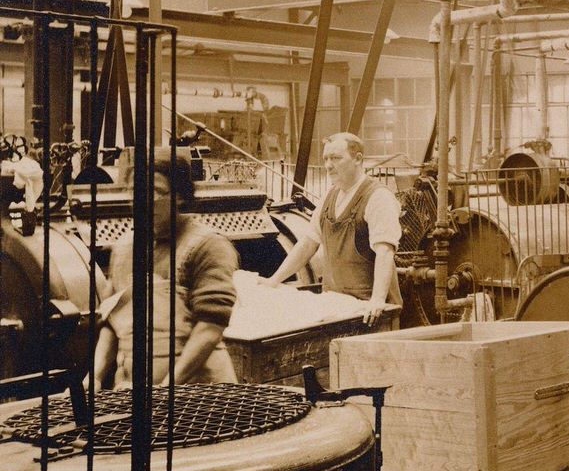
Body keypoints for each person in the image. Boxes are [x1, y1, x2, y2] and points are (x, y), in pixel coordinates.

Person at [92, 154, 238, 389]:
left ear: (179, 196)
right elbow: (111, 322)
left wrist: (166, 389)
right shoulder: (124, 249)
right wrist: (94, 378)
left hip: (199, 393)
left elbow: (210, 328)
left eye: (154, 192)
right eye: (135, 192)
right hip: (135, 390)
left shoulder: (206, 246)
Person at [266, 132, 401, 324]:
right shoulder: (330, 196)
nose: (328, 165)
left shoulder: (378, 197)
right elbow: (307, 244)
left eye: (336, 158)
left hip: (370, 312)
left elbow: (385, 251)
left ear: (358, 159)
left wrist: (377, 300)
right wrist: (274, 280)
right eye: (326, 159)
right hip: (338, 306)